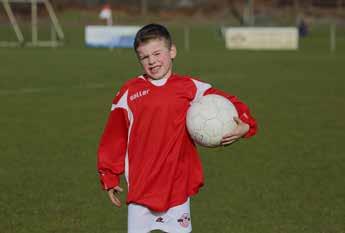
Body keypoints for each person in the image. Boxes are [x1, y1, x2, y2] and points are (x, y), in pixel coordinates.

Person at [97, 23, 257, 233]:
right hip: (141, 190)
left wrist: (246, 125)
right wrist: (109, 175)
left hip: (177, 188)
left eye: (157, 53)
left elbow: (229, 102)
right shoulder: (129, 92)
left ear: (172, 51)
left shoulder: (190, 88)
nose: (152, 61)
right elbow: (114, 137)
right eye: (144, 57)